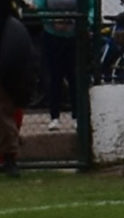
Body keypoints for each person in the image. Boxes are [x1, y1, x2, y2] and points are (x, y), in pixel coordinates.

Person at [33, 0, 86, 132]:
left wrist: (81, 22)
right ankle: (54, 117)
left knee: (75, 78)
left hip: (75, 37)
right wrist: (52, 21)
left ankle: (77, 116)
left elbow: (90, 7)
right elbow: (39, 7)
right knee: (54, 78)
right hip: (52, 36)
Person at [1, 0, 32, 176]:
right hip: (10, 75)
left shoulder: (9, 25)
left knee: (4, 115)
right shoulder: (12, 23)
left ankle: (10, 158)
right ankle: (9, 156)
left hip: (7, 77)